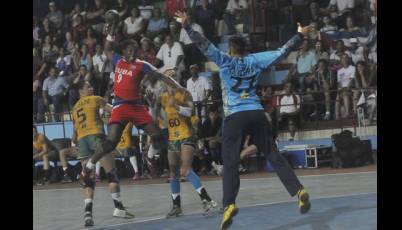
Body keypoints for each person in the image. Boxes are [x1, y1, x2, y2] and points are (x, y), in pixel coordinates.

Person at [174, 11, 312, 229]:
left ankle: (229, 204)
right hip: (256, 113)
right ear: (245, 49)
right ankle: (298, 190)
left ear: (230, 49)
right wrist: (299, 36)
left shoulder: (224, 60)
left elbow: (203, 43)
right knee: (273, 154)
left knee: (230, 162)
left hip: (235, 116)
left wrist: (187, 26)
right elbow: (282, 52)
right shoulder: (255, 60)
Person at [80, 40, 182, 182]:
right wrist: (110, 34)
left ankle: (152, 157)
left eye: (134, 50)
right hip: (120, 106)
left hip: (136, 107)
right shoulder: (118, 60)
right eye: (129, 50)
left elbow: (161, 76)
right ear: (124, 51)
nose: (132, 53)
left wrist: (178, 87)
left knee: (158, 136)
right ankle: (89, 166)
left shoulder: (142, 65)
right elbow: (107, 49)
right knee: (111, 142)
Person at [71, 80, 134, 226]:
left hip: (82, 141)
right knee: (111, 173)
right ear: (81, 91)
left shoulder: (74, 108)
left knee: (88, 179)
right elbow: (114, 111)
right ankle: (118, 208)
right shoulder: (95, 99)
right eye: (88, 86)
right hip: (96, 137)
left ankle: (88, 214)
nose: (91, 88)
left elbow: (74, 134)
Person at [156, 79, 218, 218]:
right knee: (173, 174)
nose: (168, 80)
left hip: (186, 135)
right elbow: (163, 121)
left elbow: (190, 112)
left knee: (185, 169)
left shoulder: (184, 94)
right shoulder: (163, 98)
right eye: (165, 78)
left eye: (171, 77)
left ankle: (206, 199)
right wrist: (152, 105)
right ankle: (176, 207)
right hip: (173, 138)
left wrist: (177, 106)